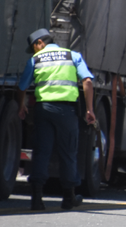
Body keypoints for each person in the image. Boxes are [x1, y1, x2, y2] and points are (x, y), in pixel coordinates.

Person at [17, 28, 96, 211]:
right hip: (66, 112)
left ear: (40, 43)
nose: (35, 51)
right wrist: (90, 109)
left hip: (43, 110)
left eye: (34, 47)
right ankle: (68, 198)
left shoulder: (35, 60)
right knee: (68, 153)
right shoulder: (73, 56)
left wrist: (21, 105)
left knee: (41, 152)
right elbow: (87, 81)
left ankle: (37, 200)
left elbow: (22, 86)